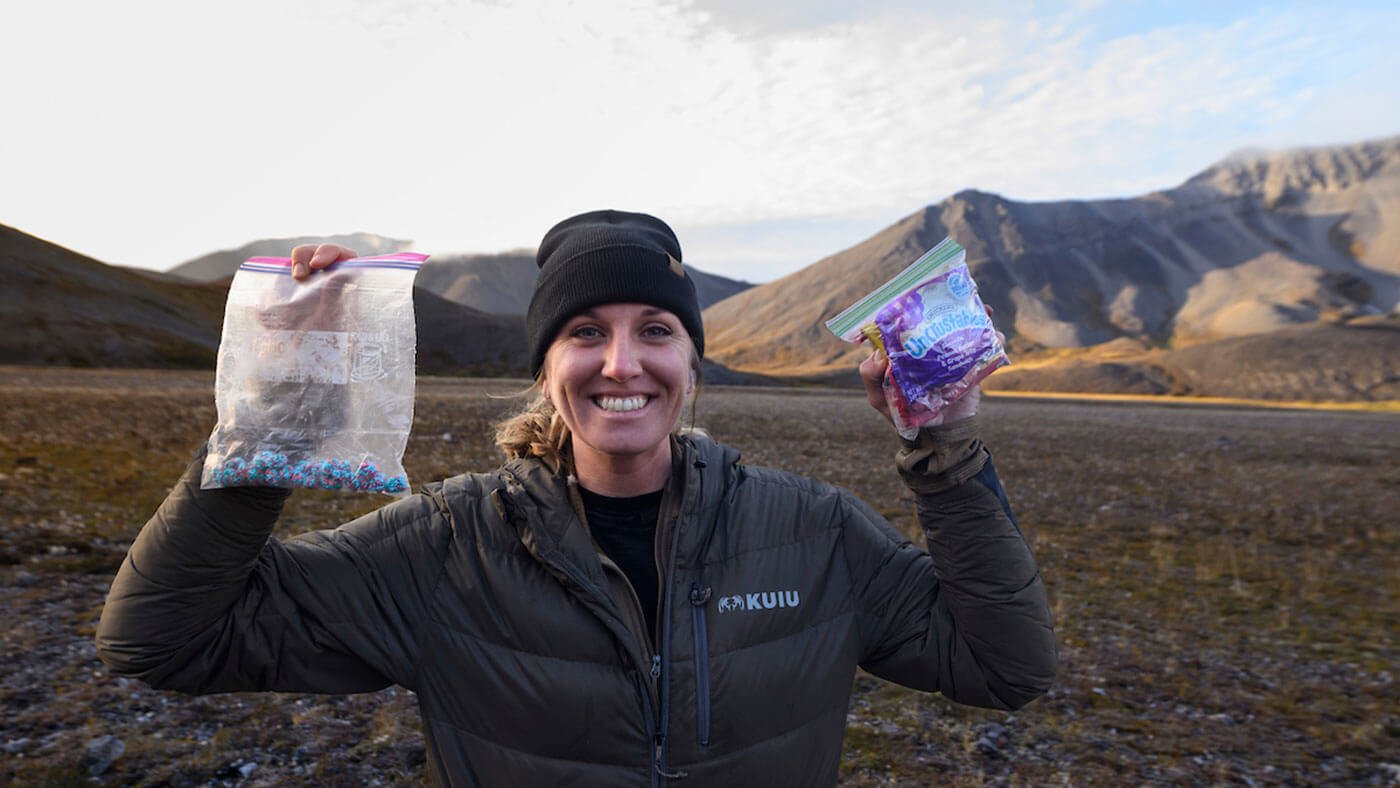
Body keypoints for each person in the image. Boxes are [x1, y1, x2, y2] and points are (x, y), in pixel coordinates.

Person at [96, 210, 1056, 786]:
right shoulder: (444, 547)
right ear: (547, 366)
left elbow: (1002, 666)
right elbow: (164, 640)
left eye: (657, 331)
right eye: (586, 332)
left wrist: (942, 442)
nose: (622, 362)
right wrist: (278, 418)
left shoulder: (811, 532)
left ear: (691, 363)